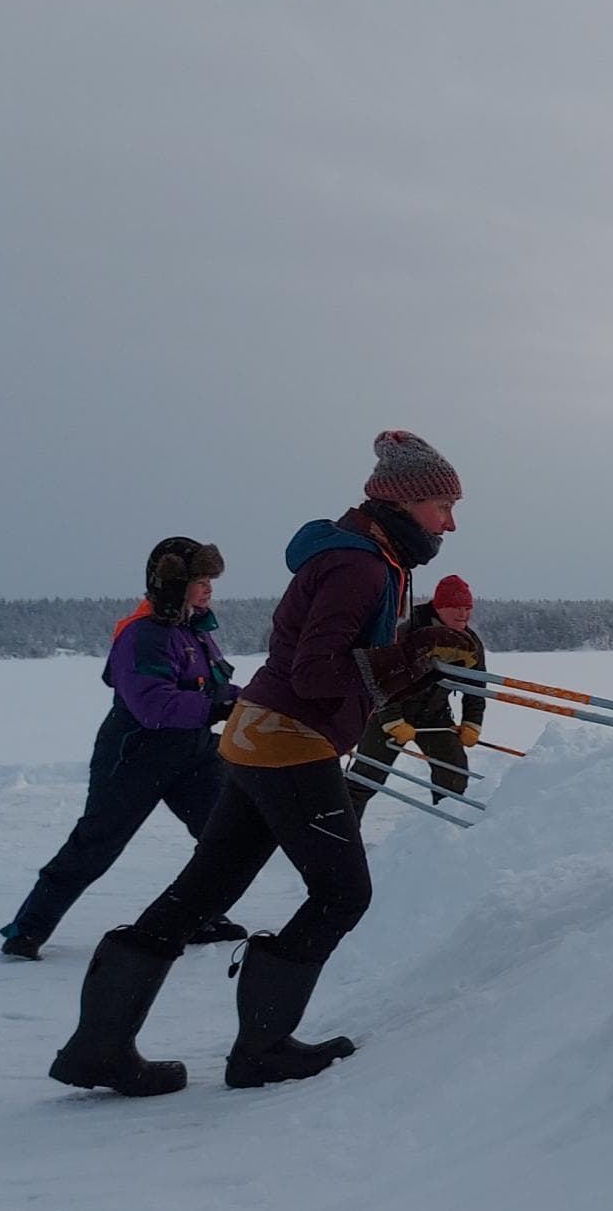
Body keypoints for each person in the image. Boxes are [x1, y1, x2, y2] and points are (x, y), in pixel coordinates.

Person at [46, 431, 479, 1097]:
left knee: (204, 893)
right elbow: (315, 670)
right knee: (343, 893)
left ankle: (97, 1047)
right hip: (288, 740)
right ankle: (263, 1049)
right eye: (441, 505)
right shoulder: (358, 567)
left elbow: (330, 663)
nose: (450, 522)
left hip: (260, 734)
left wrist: (406, 651)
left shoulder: (373, 557)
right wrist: (412, 655)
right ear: (403, 502)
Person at [0, 538, 250, 960]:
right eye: (200, 580)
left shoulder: (195, 630)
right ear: (173, 583)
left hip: (195, 751)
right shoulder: (144, 635)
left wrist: (248, 698)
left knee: (226, 837)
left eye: (210, 581)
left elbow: (212, 686)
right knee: (96, 844)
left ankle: (193, 916)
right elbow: (154, 705)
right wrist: (219, 705)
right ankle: (28, 930)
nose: (208, 589)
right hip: (135, 755)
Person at [348, 573, 489, 815]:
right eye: (455, 607)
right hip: (388, 711)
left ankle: (443, 831)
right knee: (365, 778)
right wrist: (392, 719)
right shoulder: (408, 631)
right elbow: (383, 678)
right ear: (439, 607)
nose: (463, 614)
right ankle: (342, 836)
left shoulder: (471, 642)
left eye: (467, 608)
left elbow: (476, 687)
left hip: (435, 714)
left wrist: (472, 723)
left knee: (454, 773)